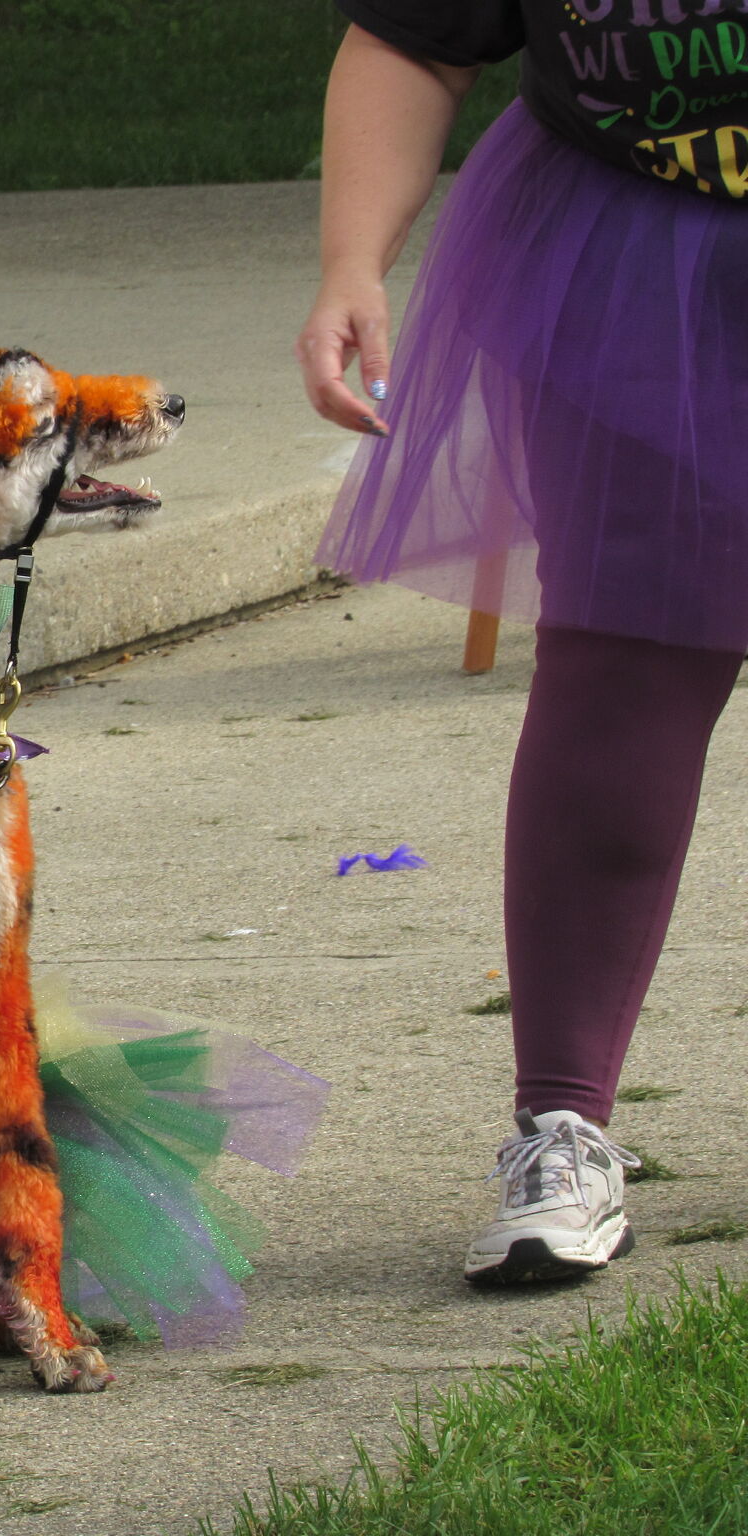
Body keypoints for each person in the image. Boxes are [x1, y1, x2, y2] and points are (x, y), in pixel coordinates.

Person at [296, 6, 745, 1286]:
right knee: (621, 674)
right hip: (620, 253)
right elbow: (414, 40)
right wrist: (349, 265)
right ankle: (561, 1125)